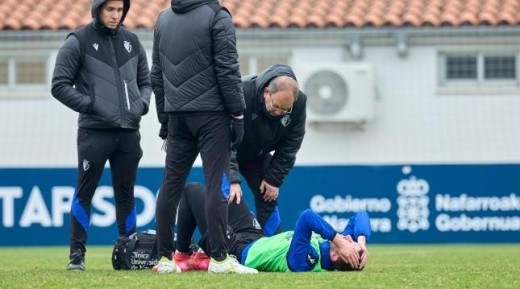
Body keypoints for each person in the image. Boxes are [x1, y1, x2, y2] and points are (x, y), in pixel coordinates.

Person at [150, 0, 252, 274]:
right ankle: (219, 258)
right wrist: (238, 114)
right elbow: (228, 68)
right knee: (214, 183)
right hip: (212, 115)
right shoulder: (217, 16)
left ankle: (164, 259)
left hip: (176, 115)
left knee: (170, 186)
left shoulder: (163, 18)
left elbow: (156, 74)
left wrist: (164, 117)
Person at [51, 0, 152, 271]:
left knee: (126, 194)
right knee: (85, 192)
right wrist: (90, 105)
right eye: (110, 9)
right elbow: (59, 85)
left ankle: (128, 250)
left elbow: (146, 82)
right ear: (98, 9)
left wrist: (141, 105)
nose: (115, 15)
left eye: (120, 10)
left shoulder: (132, 41)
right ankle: (77, 255)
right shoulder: (78, 41)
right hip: (94, 133)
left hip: (129, 133)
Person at [165, 183, 370, 273]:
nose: (348, 238)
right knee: (228, 195)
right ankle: (202, 257)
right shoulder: (334, 247)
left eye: (350, 244)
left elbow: (307, 217)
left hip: (235, 249)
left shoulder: (305, 261)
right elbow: (360, 215)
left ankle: (181, 255)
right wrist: (361, 242)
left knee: (193, 191)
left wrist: (338, 239)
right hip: (254, 235)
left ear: (336, 256)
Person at [229, 63, 307, 236]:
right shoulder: (241, 93)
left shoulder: (299, 103)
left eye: (285, 110)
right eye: (276, 106)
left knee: (268, 195)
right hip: (225, 152)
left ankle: (275, 246)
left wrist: (273, 179)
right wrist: (232, 178)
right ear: (266, 93)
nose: (279, 112)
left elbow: (291, 144)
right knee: (229, 195)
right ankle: (223, 248)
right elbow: (223, 140)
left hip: (256, 155)